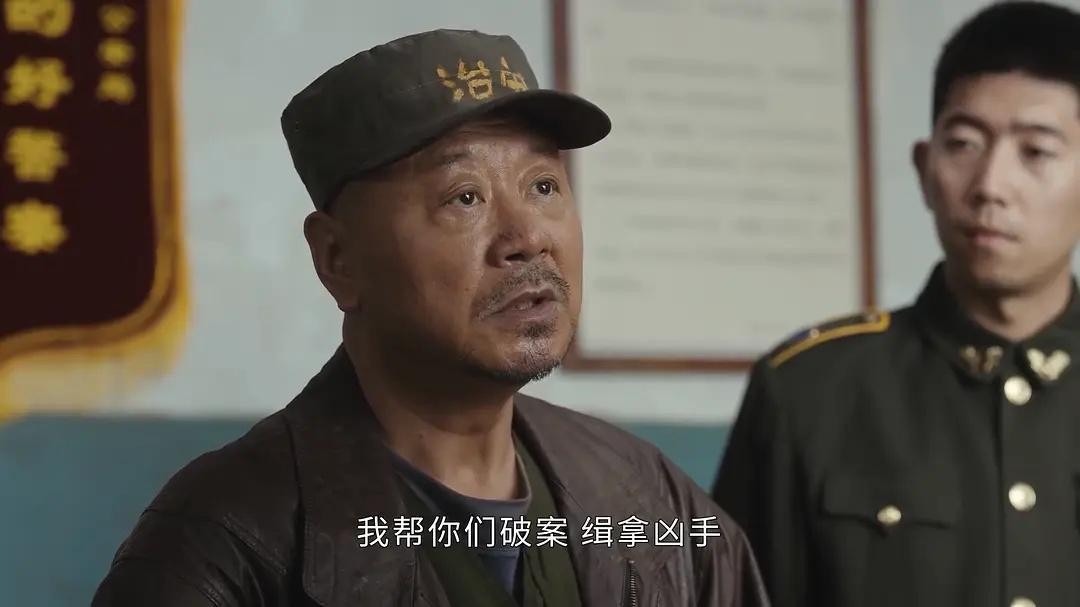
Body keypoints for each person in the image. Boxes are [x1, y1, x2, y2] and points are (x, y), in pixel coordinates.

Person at [92, 29, 768, 606]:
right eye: (464, 197)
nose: (528, 237)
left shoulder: (647, 498)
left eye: (543, 186)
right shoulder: (224, 542)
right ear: (337, 259)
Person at [711, 2, 1080, 606]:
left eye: (1036, 152)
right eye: (964, 143)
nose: (991, 186)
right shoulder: (808, 392)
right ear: (924, 168)